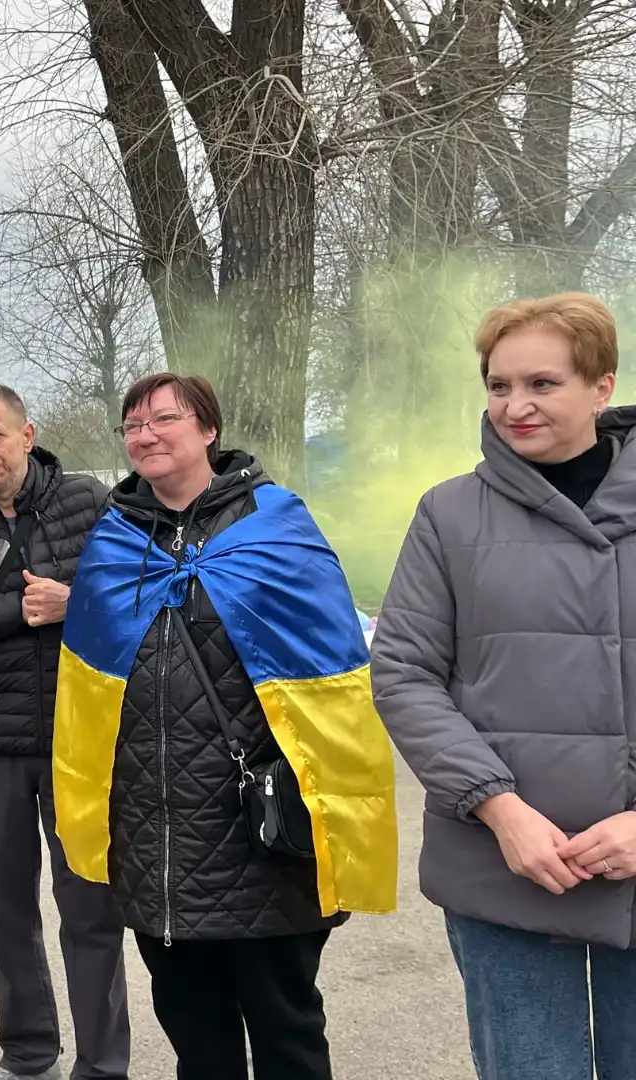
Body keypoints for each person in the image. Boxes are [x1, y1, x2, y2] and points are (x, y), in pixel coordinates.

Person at [52, 373, 399, 1080]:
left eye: (163, 419)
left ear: (208, 430)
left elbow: (332, 685)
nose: (144, 435)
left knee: (286, 1029)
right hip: (156, 834)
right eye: (132, 425)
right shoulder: (115, 543)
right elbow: (87, 696)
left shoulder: (277, 529)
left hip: (259, 830)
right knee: (193, 1032)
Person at [372, 292, 636, 1080]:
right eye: (498, 385)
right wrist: (502, 808)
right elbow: (405, 671)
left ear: (601, 386)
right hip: (507, 868)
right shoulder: (449, 515)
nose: (514, 406)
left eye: (543, 384)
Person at [0, 383, 127, 1080]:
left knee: (91, 914)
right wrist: (17, 610)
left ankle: (102, 1066)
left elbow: (140, 597)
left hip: (81, 738)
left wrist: (77, 602)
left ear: (27, 433)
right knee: (8, 915)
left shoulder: (88, 503)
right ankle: (29, 1055)